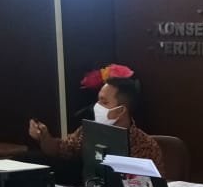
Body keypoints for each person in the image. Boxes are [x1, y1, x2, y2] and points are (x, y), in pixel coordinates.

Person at [28, 69, 164, 171]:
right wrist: (44, 137)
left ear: (121, 110)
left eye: (104, 102)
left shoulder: (145, 146)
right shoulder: (87, 132)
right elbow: (59, 150)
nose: (97, 106)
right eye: (98, 100)